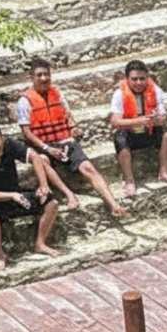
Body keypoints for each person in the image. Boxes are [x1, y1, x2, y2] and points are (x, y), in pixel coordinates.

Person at [17, 57, 125, 217]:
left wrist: (74, 127)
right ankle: (69, 194)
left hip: (64, 141)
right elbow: (26, 132)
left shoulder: (57, 94)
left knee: (87, 167)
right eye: (39, 75)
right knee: (42, 161)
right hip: (43, 145)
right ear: (32, 77)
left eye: (46, 74)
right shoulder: (24, 101)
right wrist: (48, 148)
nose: (44, 78)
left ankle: (113, 204)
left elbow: (68, 115)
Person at [0, 121, 60, 273]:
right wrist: (11, 195)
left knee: (52, 203)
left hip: (16, 196)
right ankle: (0, 255)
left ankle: (40, 243)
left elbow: (35, 157)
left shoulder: (9, 145)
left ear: (2, 138)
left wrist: (44, 186)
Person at [109, 59, 167, 199]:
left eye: (142, 79)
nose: (138, 83)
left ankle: (164, 172)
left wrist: (156, 120)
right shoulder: (119, 94)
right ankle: (129, 180)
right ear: (127, 79)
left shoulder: (155, 91)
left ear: (147, 78)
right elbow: (115, 121)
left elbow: (163, 117)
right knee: (120, 138)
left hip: (150, 131)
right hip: (131, 134)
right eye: (134, 79)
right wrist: (138, 121)